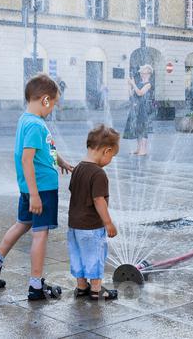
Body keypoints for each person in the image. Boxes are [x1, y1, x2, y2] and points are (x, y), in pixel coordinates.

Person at [0, 74, 73, 300]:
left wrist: (60, 161)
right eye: (53, 104)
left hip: (32, 188)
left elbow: (45, 148)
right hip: (40, 190)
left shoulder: (27, 120)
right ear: (44, 100)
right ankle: (35, 285)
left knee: (23, 223)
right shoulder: (36, 125)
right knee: (40, 234)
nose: (53, 109)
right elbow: (26, 159)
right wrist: (34, 195)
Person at [68, 125, 120, 301]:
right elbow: (99, 200)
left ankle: (82, 287)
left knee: (78, 255)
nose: (110, 160)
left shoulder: (77, 169)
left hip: (74, 226)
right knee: (95, 256)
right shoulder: (98, 173)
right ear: (107, 151)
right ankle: (96, 289)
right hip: (91, 226)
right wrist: (108, 222)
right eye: (112, 156)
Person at [123, 64, 153, 156]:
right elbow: (131, 95)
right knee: (137, 128)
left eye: (143, 73)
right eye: (141, 73)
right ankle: (139, 148)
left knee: (143, 128)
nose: (141, 74)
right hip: (135, 108)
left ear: (148, 74)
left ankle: (143, 150)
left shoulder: (148, 84)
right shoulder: (139, 83)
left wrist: (133, 84)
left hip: (143, 108)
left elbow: (140, 93)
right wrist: (129, 85)